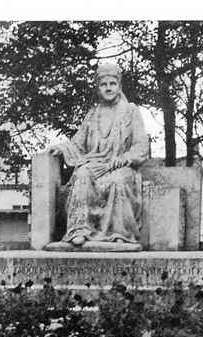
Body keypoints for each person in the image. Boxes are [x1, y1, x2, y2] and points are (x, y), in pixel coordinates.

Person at [48, 63, 148, 248]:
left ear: (119, 86)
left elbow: (141, 146)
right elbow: (78, 143)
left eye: (112, 83)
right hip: (95, 164)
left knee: (118, 181)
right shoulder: (93, 114)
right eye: (104, 84)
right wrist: (62, 148)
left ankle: (121, 233)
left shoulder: (130, 111)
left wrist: (122, 160)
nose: (109, 88)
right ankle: (79, 230)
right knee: (82, 175)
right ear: (98, 88)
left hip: (122, 166)